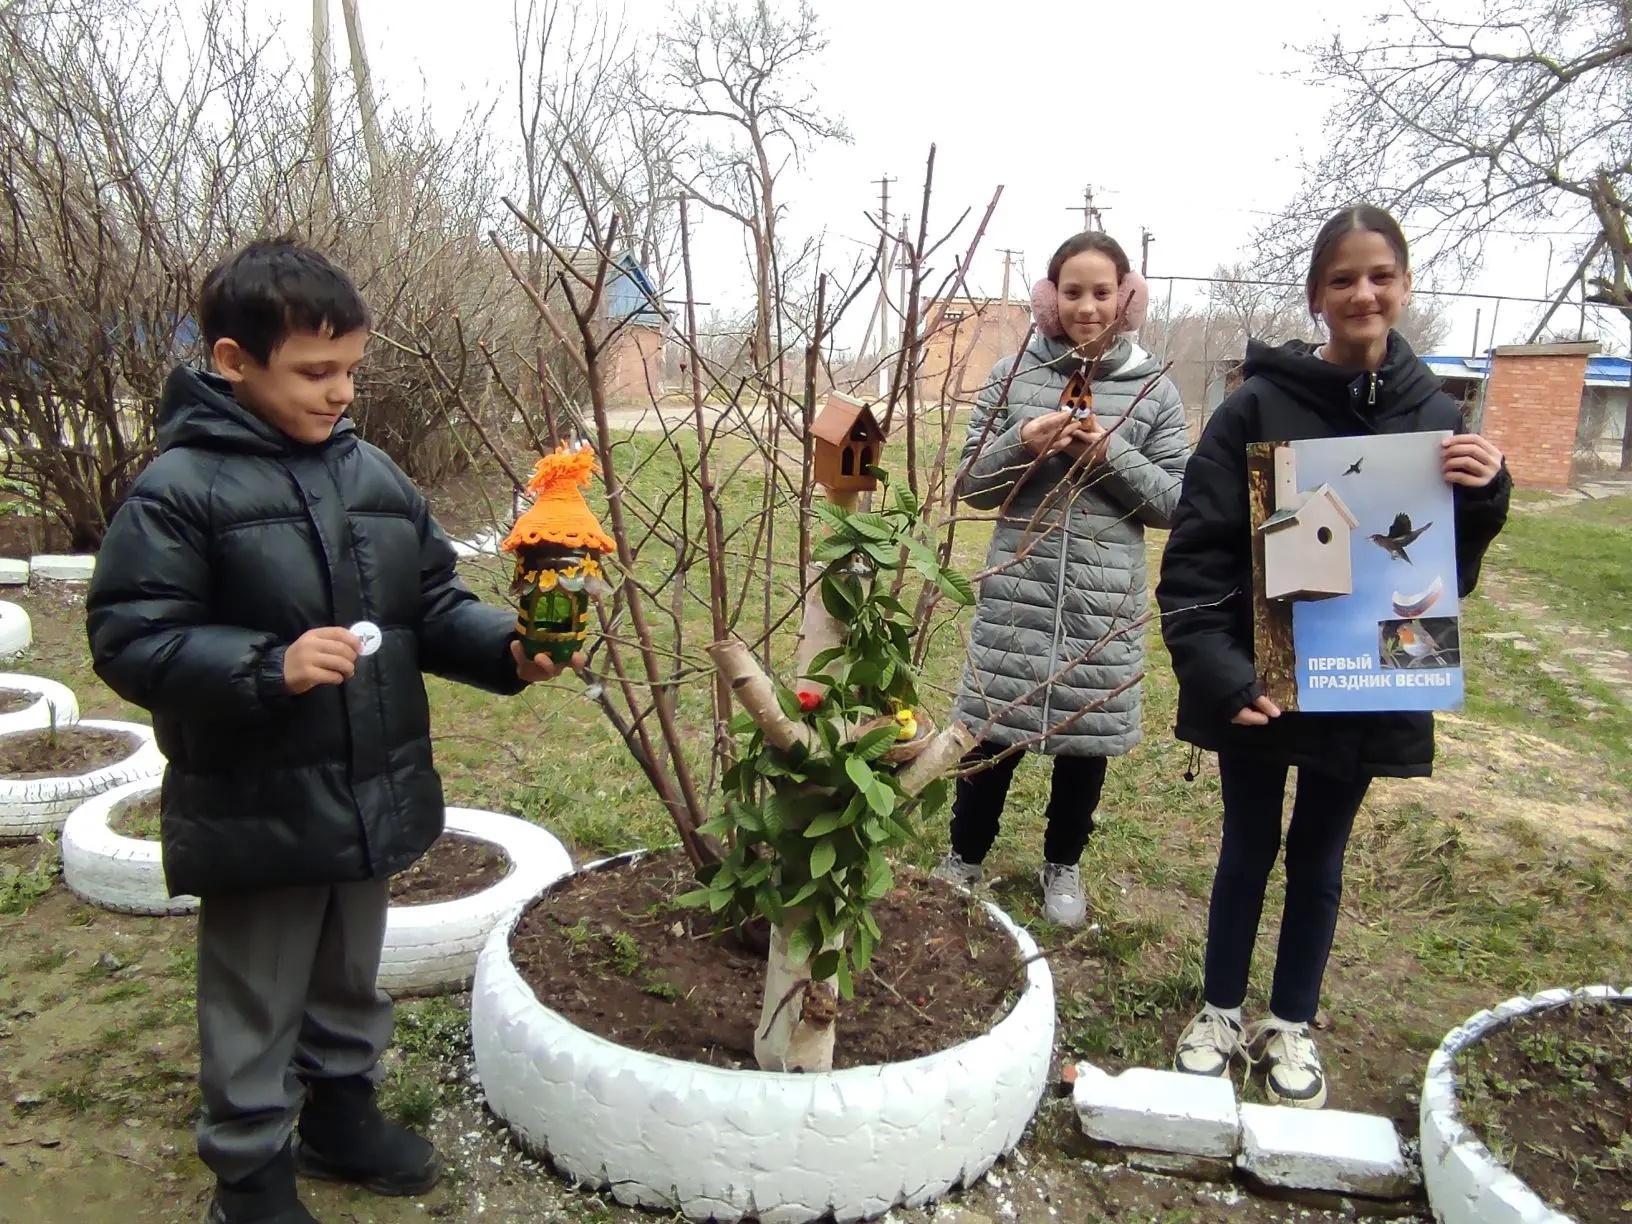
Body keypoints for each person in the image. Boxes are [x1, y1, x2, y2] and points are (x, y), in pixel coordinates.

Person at [85, 238, 577, 1224]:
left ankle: (341, 1117)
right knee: (257, 991)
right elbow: (130, 635)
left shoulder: (372, 476)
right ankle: (250, 1174)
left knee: (352, 970)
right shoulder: (181, 489)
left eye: (350, 368)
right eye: (316, 371)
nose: (341, 391)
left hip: (369, 782)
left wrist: (504, 650)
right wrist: (267, 667)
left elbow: (430, 601)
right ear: (234, 361)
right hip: (254, 800)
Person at [1156, 206, 1510, 1108]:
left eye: (1380, 275)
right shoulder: (1255, 408)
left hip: (1364, 683)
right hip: (1265, 682)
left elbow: (1440, 569)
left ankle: (1293, 1023)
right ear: (1317, 295)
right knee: (1247, 847)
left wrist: (1486, 495)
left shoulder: (1435, 416)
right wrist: (1220, 669)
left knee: (1320, 856)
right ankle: (1220, 1010)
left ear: (1405, 284)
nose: (1364, 292)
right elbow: (1199, 554)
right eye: (1344, 278)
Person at [935, 232, 1190, 927]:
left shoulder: (1154, 389)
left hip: (1101, 600)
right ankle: (964, 857)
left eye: (1101, 292)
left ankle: (1064, 863)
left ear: (1126, 297)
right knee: (991, 734)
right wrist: (1023, 444)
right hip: (1019, 592)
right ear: (1049, 298)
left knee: (1087, 747)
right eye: (1072, 292)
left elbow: (1175, 503)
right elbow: (970, 487)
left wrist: (1109, 454)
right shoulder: (1012, 373)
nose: (1087, 306)